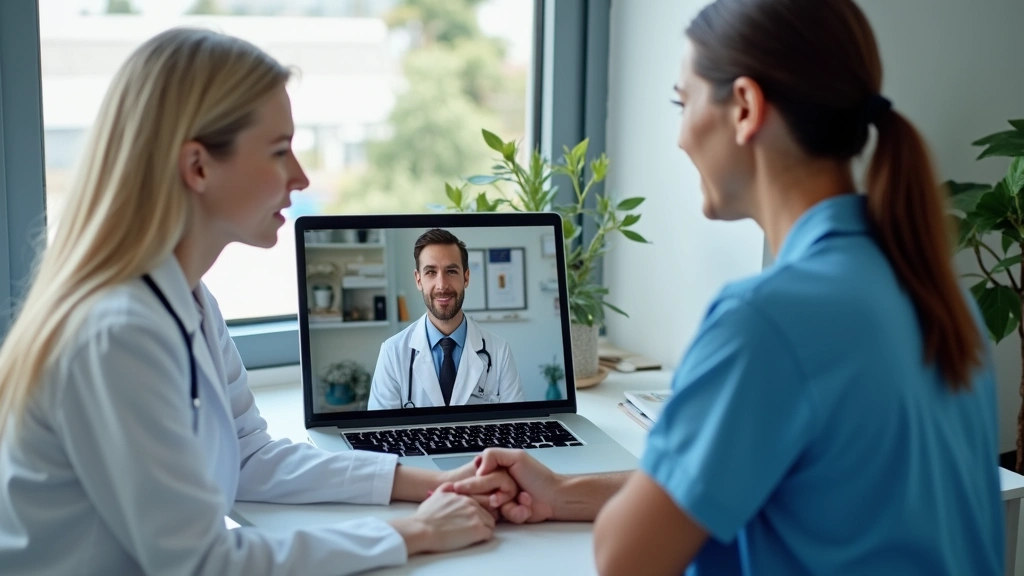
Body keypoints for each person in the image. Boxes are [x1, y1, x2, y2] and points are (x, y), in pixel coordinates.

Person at [454, 0, 1004, 574]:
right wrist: (564, 492)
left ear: (744, 107)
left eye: (683, 102)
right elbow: (777, 482)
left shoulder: (767, 320)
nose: (680, 138)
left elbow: (624, 557)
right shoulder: (941, 297)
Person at [0, 28, 520, 576]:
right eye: (278, 151)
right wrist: (415, 532)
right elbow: (202, 564)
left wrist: (437, 483)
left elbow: (251, 456)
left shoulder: (189, 300)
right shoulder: (117, 332)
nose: (301, 176)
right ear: (198, 167)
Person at [368, 229, 525, 409]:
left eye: (451, 271)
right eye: (431, 272)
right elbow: (381, 425)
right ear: (418, 280)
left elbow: (516, 421)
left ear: (466, 277)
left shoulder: (499, 351)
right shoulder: (392, 353)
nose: (442, 285)